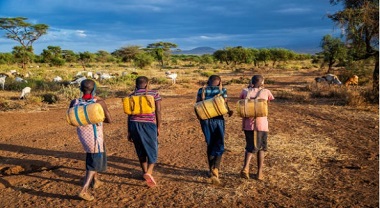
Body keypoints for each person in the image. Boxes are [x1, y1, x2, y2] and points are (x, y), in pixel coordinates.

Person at [69, 79, 112, 201]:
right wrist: (96, 115)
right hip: (95, 136)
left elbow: (71, 118)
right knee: (93, 162)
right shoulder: (98, 102)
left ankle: (96, 180)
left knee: (90, 156)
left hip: (83, 135)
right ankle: (84, 190)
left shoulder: (74, 102)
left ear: (81, 89)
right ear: (94, 89)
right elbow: (109, 120)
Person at [195, 75, 233, 185]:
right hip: (218, 120)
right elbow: (224, 104)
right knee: (219, 143)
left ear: (209, 81)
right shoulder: (222, 90)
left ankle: (210, 169)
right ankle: (216, 168)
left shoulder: (201, 90)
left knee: (210, 143)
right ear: (219, 82)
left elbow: (197, 104)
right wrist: (229, 111)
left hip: (205, 120)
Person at [127, 76, 161, 188]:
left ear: (136, 84)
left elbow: (129, 114)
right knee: (153, 148)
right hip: (148, 124)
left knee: (140, 148)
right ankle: (149, 172)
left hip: (134, 124)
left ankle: (144, 172)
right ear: (147, 84)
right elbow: (158, 111)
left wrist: (129, 131)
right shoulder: (154, 94)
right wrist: (158, 126)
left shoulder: (132, 95)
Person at [239, 75, 274, 180]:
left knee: (249, 146)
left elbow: (242, 101)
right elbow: (268, 104)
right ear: (262, 82)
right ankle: (259, 173)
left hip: (248, 125)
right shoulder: (266, 91)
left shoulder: (245, 91)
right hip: (261, 124)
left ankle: (246, 167)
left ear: (251, 81)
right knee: (261, 148)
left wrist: (250, 88)